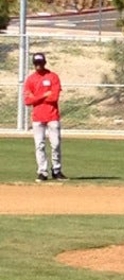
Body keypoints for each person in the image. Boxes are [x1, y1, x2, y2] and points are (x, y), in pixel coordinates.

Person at [24, 52, 67, 182]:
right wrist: (43, 95)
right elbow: (27, 101)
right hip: (38, 117)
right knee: (39, 145)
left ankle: (57, 170)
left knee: (56, 144)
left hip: (52, 115)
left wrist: (36, 97)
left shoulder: (53, 77)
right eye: (36, 63)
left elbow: (54, 97)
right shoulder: (30, 79)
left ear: (44, 63)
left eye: (40, 63)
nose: (38, 65)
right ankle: (42, 171)